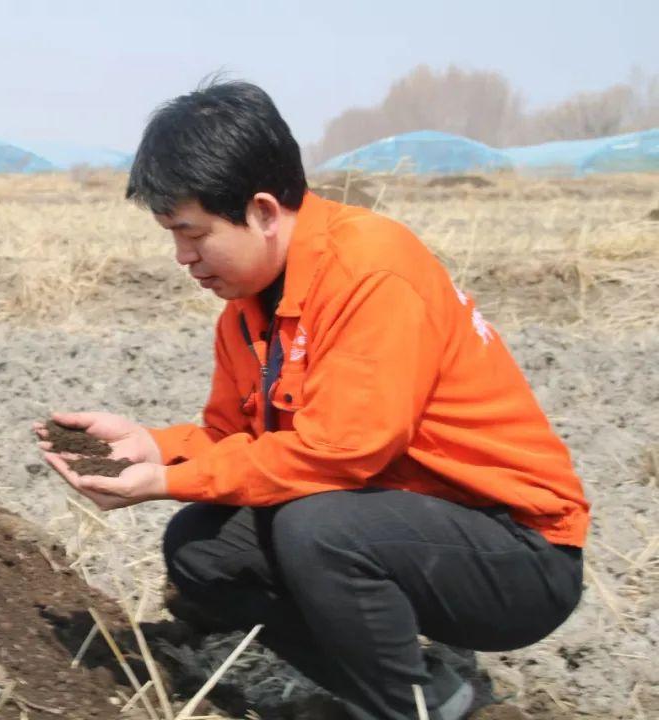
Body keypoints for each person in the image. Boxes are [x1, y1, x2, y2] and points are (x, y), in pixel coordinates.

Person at [35, 80, 587, 720]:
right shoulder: (245, 313)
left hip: (517, 556)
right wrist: (149, 447)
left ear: (264, 211)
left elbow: (343, 453)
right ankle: (420, 695)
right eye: (171, 235)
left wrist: (166, 479)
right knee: (203, 546)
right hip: (407, 528)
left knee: (316, 526)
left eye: (193, 233)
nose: (183, 258)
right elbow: (230, 439)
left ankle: (409, 710)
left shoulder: (372, 272)